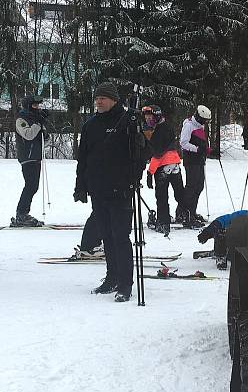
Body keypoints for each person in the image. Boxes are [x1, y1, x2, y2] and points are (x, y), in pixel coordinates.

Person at [73, 81, 146, 303]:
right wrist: (80, 186)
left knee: (120, 237)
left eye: (103, 98)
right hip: (98, 189)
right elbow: (83, 158)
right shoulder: (90, 125)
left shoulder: (128, 121)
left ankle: (125, 283)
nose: (98, 102)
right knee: (106, 236)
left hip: (121, 189)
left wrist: (133, 179)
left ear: (113, 99)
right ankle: (111, 277)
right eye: (96, 98)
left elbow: (141, 155)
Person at [143, 105, 184, 237]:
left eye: (151, 117)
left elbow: (158, 153)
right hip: (175, 164)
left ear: (157, 116)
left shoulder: (160, 131)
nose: (148, 120)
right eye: (146, 118)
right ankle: (186, 214)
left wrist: (150, 171)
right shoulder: (167, 126)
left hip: (163, 167)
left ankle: (163, 222)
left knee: (162, 196)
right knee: (179, 193)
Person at [13, 95, 48, 226]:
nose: (37, 108)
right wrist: (38, 123)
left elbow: (45, 140)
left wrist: (44, 133)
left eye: (38, 105)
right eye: (34, 105)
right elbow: (28, 135)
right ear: (28, 105)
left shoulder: (36, 119)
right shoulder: (21, 119)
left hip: (36, 156)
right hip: (27, 157)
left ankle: (23, 213)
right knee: (30, 186)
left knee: (33, 186)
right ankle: (21, 213)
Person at [179, 105, 212, 228]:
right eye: (204, 120)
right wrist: (197, 149)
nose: (205, 123)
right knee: (191, 187)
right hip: (191, 161)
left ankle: (191, 211)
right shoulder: (188, 125)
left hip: (199, 161)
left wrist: (208, 150)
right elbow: (183, 143)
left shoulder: (200, 126)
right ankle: (186, 214)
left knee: (199, 186)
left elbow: (201, 142)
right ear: (198, 117)